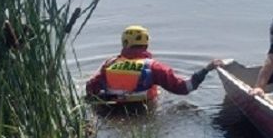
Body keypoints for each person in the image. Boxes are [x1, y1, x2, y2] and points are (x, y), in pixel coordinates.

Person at [86, 24, 222, 109]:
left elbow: (90, 87)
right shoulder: (154, 67)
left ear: (124, 43)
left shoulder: (109, 64)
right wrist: (206, 69)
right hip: (141, 112)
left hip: (111, 111)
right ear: (146, 45)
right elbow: (184, 88)